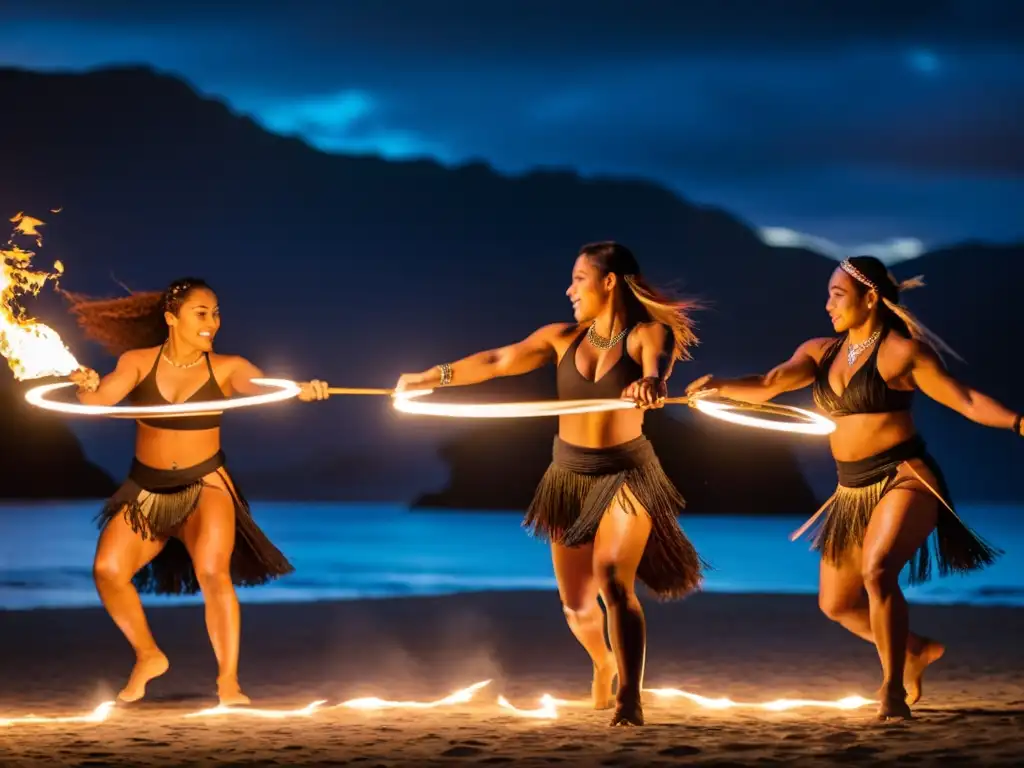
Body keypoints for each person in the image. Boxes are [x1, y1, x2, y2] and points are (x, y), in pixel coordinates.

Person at [685, 255, 1012, 720]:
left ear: (870, 297)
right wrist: (720, 387)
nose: (828, 304)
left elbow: (966, 399)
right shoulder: (820, 352)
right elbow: (769, 383)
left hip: (904, 477)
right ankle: (916, 650)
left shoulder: (903, 352)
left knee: (878, 572)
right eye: (828, 294)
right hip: (850, 491)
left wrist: (1018, 422)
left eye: (838, 294)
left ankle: (892, 692)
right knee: (836, 603)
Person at [396, 241, 707, 727]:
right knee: (577, 604)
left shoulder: (648, 332)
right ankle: (603, 662)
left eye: (578, 279)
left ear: (609, 282)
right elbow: (499, 360)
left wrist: (652, 382)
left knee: (613, 582)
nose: (569, 290)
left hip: (627, 474)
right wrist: (431, 377)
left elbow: (657, 361)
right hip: (567, 477)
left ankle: (630, 697)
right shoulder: (562, 338)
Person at [63, 277, 329, 706]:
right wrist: (84, 384)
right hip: (146, 488)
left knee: (211, 571)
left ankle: (228, 683)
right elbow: (98, 402)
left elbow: (264, 388)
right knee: (108, 571)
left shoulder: (228, 368)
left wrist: (299, 390)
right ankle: (148, 655)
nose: (212, 322)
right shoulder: (137, 361)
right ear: (172, 318)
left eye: (216, 313)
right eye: (201, 313)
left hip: (206, 484)